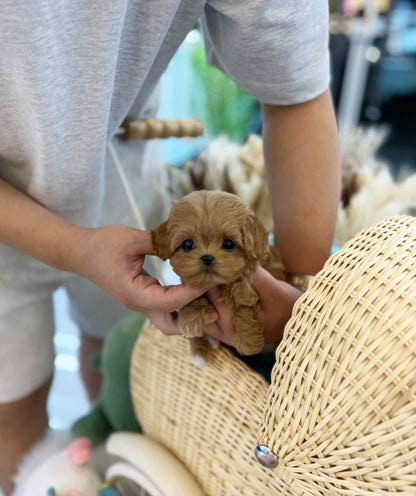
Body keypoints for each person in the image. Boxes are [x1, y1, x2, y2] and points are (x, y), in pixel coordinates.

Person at [0, 1, 340, 493]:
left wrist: (300, 297)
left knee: (128, 369)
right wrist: (74, 247)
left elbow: (295, 88)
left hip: (121, 171)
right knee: (11, 411)